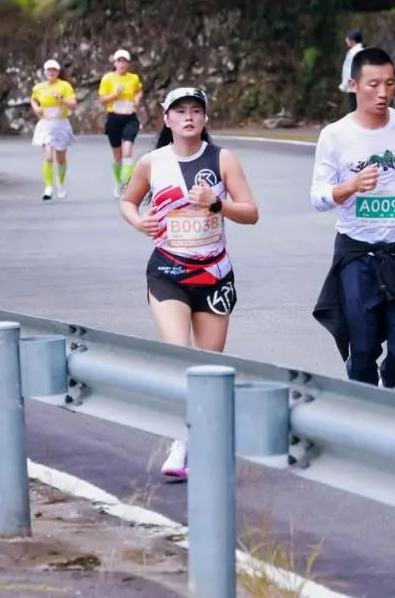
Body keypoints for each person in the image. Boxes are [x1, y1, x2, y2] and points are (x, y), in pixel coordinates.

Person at [118, 87, 259, 478]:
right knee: (180, 356)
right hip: (168, 271)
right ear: (166, 119)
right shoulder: (151, 163)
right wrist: (139, 221)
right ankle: (180, 444)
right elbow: (128, 201)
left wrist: (216, 203)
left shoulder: (222, 159)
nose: (189, 117)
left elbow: (251, 212)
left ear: (205, 118)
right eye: (180, 111)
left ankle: (204, 441)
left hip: (213, 274)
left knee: (208, 369)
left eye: (196, 110)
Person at [311, 47, 395, 389]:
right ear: (354, 85)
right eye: (373, 84)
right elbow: (318, 197)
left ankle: (388, 381)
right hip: (357, 253)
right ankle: (365, 404)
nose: (383, 92)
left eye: (390, 83)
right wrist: (350, 186)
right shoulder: (335, 135)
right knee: (363, 347)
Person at [99, 49, 144, 198]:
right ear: (115, 63)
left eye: (125, 61)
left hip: (130, 117)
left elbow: (139, 91)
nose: (122, 64)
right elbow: (102, 99)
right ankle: (118, 183)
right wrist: (115, 94)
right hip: (114, 118)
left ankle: (127, 183)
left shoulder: (133, 78)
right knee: (117, 155)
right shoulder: (107, 79)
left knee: (128, 150)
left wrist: (137, 99)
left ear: (128, 64)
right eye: (119, 61)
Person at [31, 59, 77, 201]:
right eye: (49, 70)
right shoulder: (39, 88)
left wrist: (61, 99)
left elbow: (73, 104)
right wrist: (37, 108)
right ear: (45, 72)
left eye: (54, 70)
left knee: (60, 158)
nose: (51, 73)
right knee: (48, 156)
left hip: (61, 123)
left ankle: (60, 184)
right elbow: (33, 99)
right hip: (46, 124)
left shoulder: (64, 86)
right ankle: (48, 187)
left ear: (58, 72)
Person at [338, 29, 364, 114]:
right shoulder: (360, 50)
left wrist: (345, 84)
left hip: (354, 85)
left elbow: (349, 69)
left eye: (347, 38)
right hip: (359, 84)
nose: (346, 40)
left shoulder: (353, 53)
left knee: (355, 109)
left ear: (352, 40)